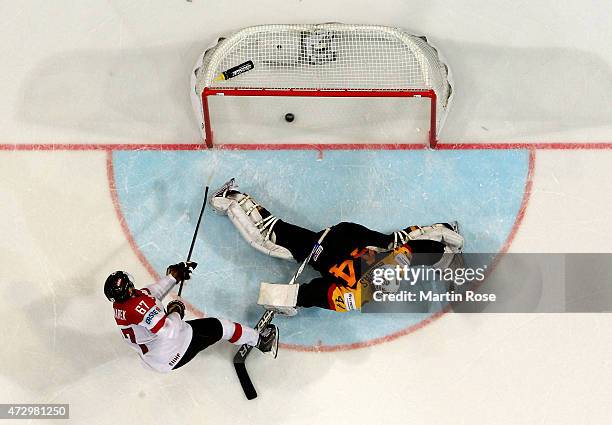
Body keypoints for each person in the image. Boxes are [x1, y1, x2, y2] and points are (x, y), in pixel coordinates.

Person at [210, 178, 464, 313]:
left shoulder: (388, 270)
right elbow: (310, 294)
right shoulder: (356, 296)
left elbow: (417, 250)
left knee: (393, 242)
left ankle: (444, 230)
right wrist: (282, 299)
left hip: (351, 235)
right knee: (271, 240)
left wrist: (448, 254)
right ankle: (229, 200)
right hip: (327, 246)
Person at [104, 262, 278, 373]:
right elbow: (169, 330)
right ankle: (262, 342)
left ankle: (256, 341)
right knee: (221, 327)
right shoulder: (138, 308)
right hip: (173, 349)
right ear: (127, 289)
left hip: (154, 356)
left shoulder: (122, 304)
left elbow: (151, 294)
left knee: (212, 327)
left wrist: (173, 278)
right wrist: (176, 311)